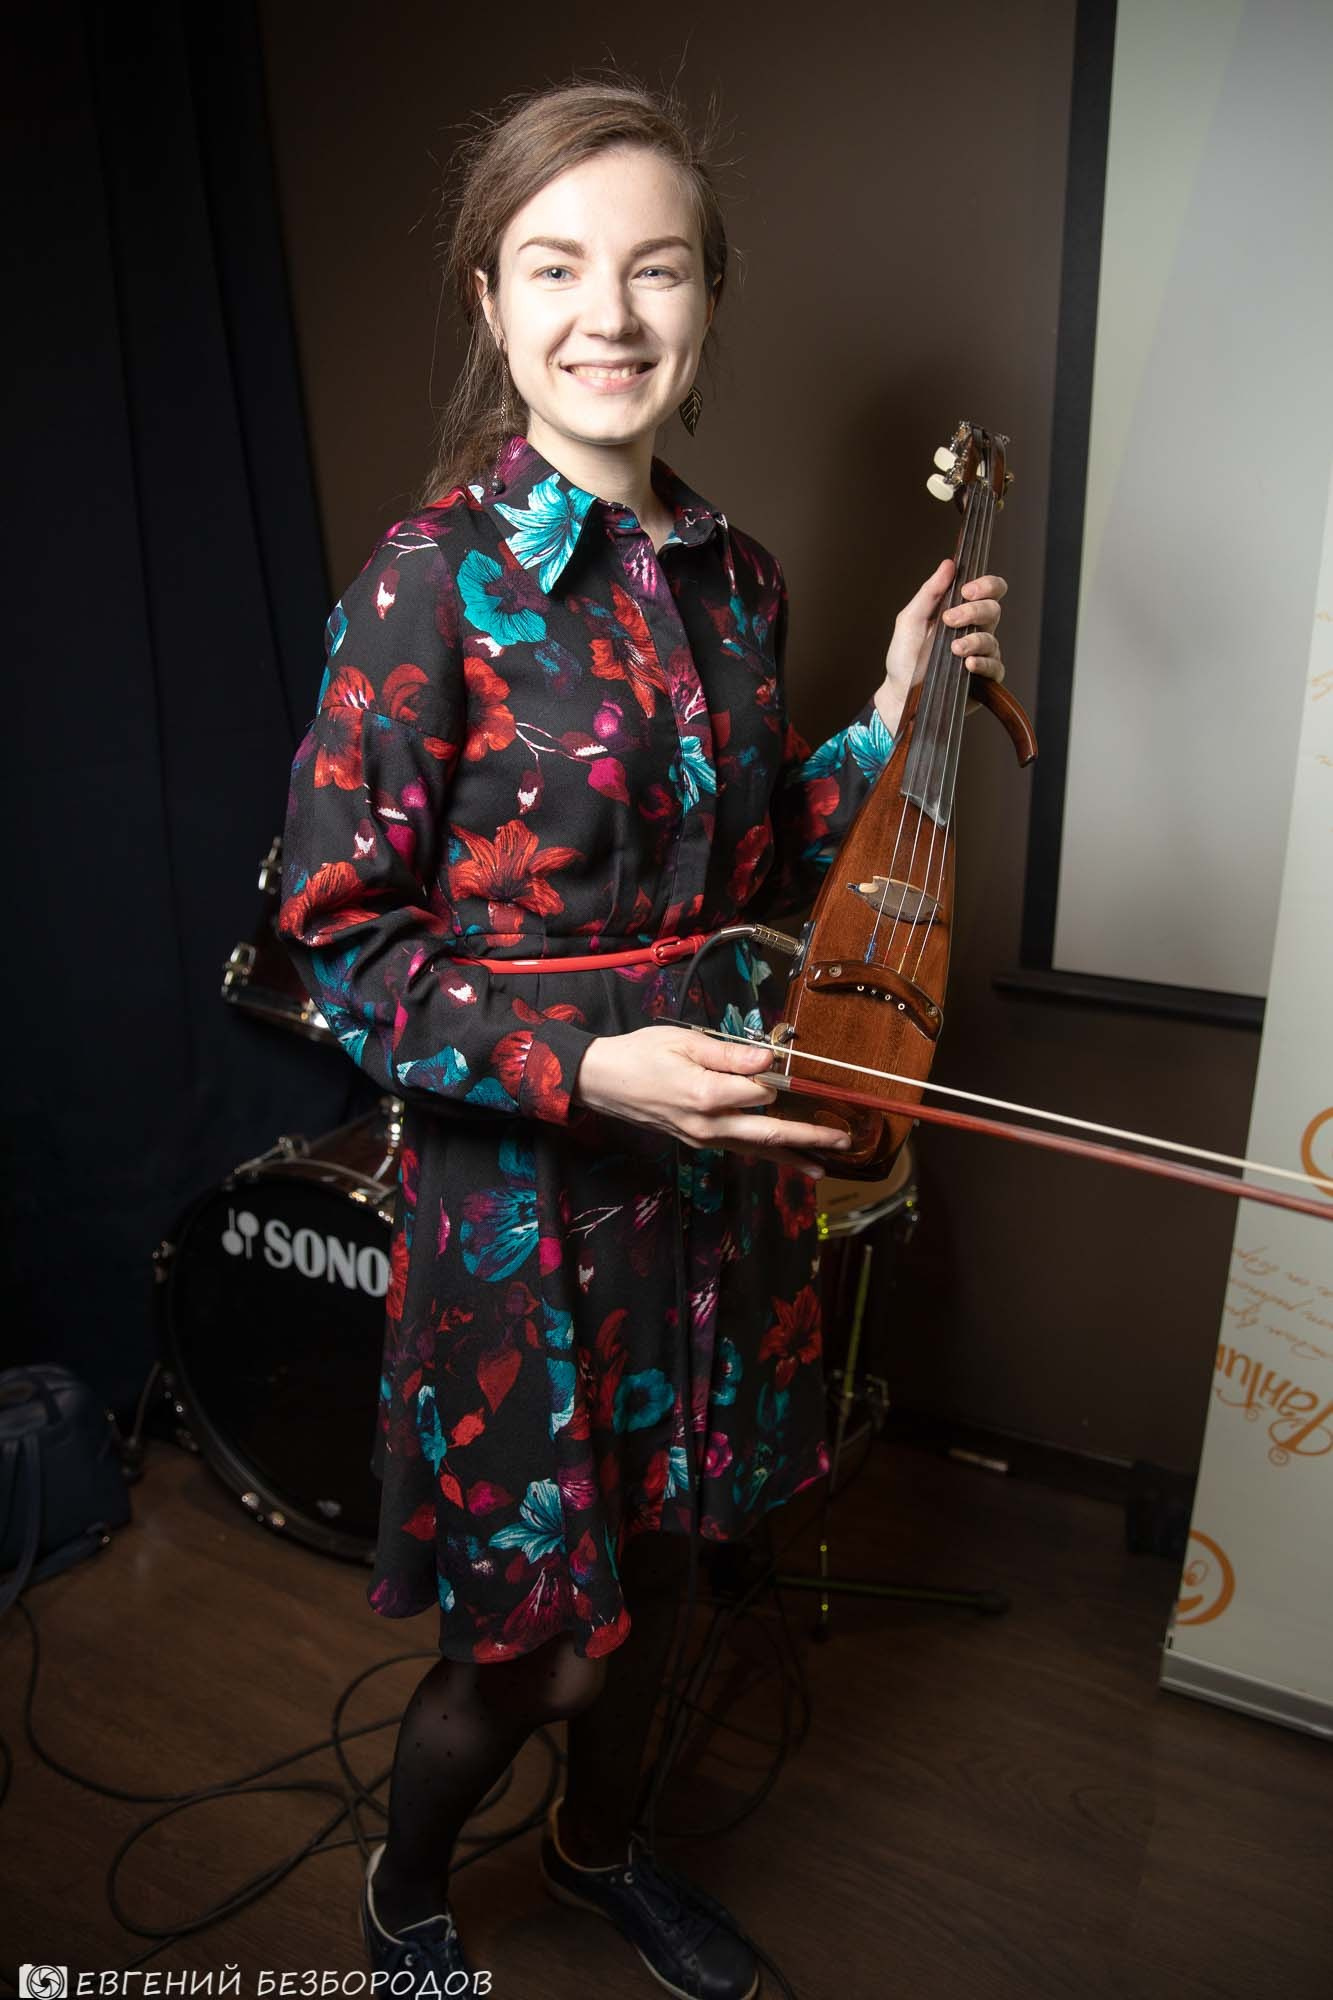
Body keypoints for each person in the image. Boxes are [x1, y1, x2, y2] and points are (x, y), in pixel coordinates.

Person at [277, 74, 1007, 2000]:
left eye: (656, 268)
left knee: (678, 1571)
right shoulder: (426, 584)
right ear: (489, 299)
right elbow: (336, 945)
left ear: (705, 300)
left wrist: (888, 708)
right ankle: (407, 1900)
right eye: (556, 266)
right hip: (523, 1221)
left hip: (715, 1196)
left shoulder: (738, 579)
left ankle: (601, 1854)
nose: (608, 313)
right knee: (533, 1650)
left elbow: (755, 870)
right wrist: (590, 1069)